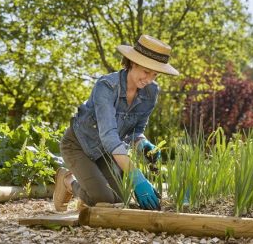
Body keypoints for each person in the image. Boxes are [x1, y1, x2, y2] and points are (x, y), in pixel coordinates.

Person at [53, 34, 179, 212]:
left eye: (155, 74)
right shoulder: (106, 86)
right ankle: (67, 181)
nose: (149, 79)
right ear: (133, 62)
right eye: (146, 71)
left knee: (121, 198)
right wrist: (137, 177)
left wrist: (143, 143)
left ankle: (88, 191)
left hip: (105, 153)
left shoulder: (151, 92)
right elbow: (110, 137)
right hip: (79, 145)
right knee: (103, 199)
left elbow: (136, 130)